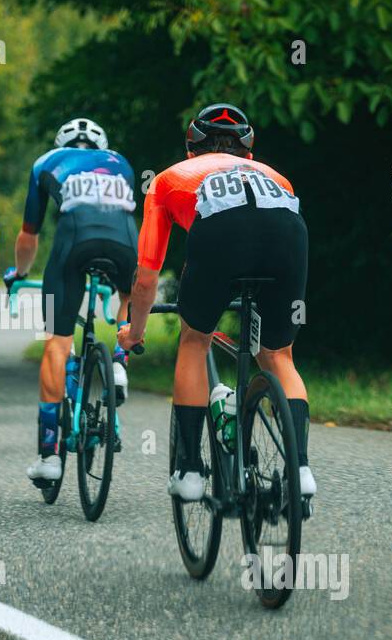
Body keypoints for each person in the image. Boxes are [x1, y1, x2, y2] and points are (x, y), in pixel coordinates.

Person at [117, 103, 316, 502]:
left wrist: (134, 331)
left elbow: (147, 277)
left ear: (192, 151)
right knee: (279, 356)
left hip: (220, 237)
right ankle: (301, 470)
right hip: (288, 233)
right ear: (250, 154)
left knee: (195, 340)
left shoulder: (170, 178)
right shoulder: (278, 177)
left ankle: (190, 472)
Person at [5, 118, 138, 484]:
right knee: (129, 292)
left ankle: (49, 456)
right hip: (124, 242)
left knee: (57, 343)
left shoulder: (46, 162)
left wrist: (19, 273)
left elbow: (28, 235)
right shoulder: (120, 163)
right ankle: (118, 362)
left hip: (74, 243)